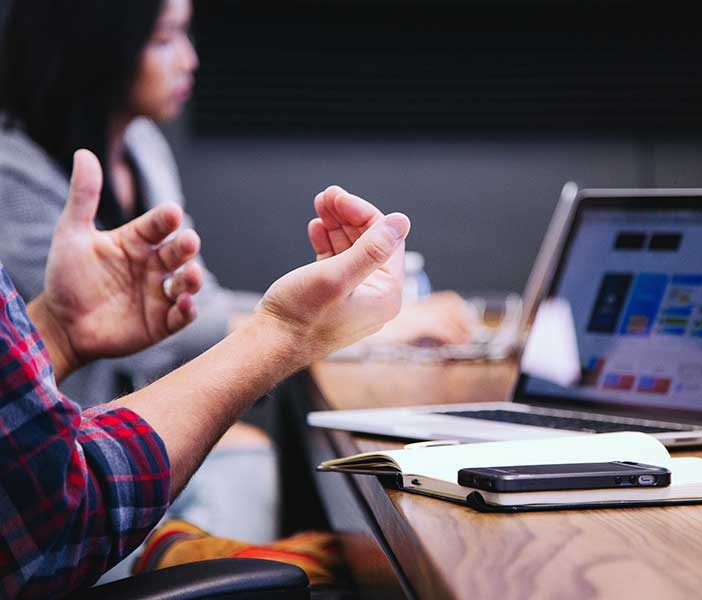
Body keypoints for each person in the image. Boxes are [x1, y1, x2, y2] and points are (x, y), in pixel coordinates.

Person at [0, 0, 473, 548]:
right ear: (96, 47)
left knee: (250, 453)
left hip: (100, 453)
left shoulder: (141, 148)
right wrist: (311, 327)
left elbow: (189, 305)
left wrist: (59, 331)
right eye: (165, 39)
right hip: (70, 476)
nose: (190, 60)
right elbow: (65, 503)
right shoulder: (13, 177)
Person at [0, 148, 411, 599]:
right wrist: (283, 334)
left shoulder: (143, 145)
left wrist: (56, 334)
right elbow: (58, 509)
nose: (192, 70)